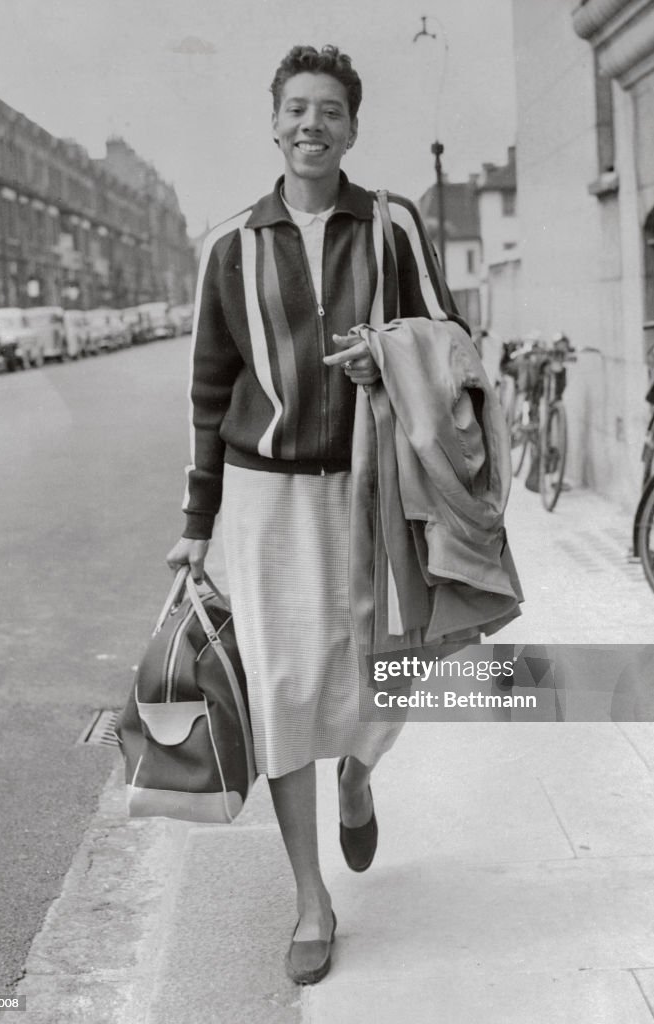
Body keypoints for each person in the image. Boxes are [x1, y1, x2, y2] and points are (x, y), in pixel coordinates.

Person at [165, 43, 462, 985]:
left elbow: (452, 338)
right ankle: (311, 897)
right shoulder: (231, 246)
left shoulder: (394, 226)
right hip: (266, 495)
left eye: (330, 109)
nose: (312, 124)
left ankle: (360, 776)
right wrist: (195, 520)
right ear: (274, 120)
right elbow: (210, 394)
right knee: (284, 691)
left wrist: (395, 356)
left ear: (353, 127)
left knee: (393, 673)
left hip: (375, 486)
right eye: (296, 107)